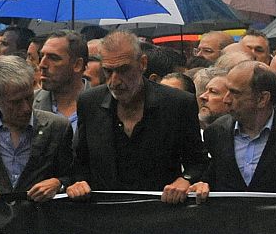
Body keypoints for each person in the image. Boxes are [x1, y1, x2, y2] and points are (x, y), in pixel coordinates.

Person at [74, 31, 208, 199]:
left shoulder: (178, 103)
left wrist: (186, 179)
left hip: (161, 213)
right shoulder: (89, 102)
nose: (115, 81)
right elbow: (80, 162)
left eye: (124, 70)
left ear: (142, 64)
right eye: (108, 71)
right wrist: (78, 183)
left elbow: (198, 162)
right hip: (105, 213)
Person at [0, 55, 87, 203]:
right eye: (15, 102)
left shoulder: (57, 127)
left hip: (40, 218)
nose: (26, 108)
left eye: (29, 98)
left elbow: (71, 175)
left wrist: (57, 183)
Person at [191, 61, 276, 197]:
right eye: (227, 91)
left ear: (262, 99)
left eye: (235, 93)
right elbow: (211, 176)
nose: (226, 100)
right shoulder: (216, 132)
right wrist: (201, 184)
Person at [34, 32, 89, 132]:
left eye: (53, 58)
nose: (42, 65)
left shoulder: (101, 103)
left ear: (77, 65)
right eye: (41, 56)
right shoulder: (29, 103)